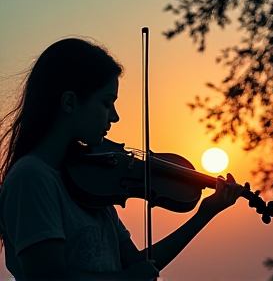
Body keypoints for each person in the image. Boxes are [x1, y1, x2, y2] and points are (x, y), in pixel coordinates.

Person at [0, 37, 246, 281]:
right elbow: (49, 278)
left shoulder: (88, 178)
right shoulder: (31, 177)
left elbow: (138, 265)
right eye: (107, 103)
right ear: (70, 102)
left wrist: (204, 214)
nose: (115, 117)